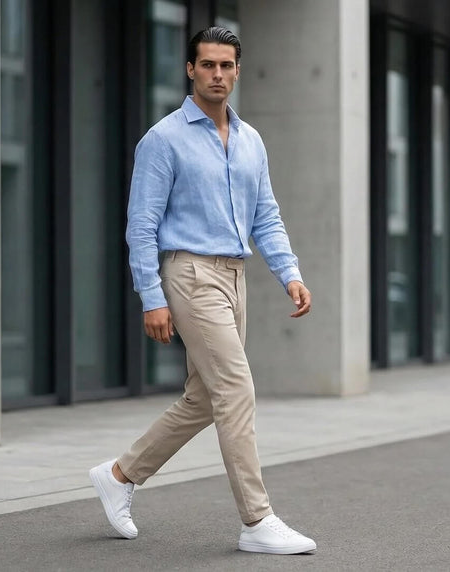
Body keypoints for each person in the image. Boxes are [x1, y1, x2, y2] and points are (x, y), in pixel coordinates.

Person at [89, 26, 316, 555]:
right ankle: (257, 520)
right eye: (207, 64)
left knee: (204, 398)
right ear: (191, 69)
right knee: (235, 388)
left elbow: (265, 215)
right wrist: (152, 297)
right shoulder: (163, 139)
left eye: (226, 65)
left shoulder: (251, 140)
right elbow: (141, 226)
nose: (217, 74)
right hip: (189, 275)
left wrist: (290, 273)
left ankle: (120, 475)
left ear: (237, 71)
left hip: (235, 277)